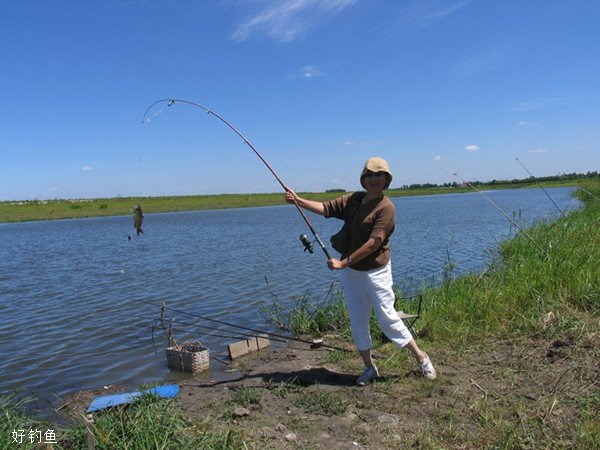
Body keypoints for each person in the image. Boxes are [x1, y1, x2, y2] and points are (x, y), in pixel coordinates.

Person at [285, 157, 436, 385]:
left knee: (387, 318)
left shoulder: (386, 208)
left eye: (379, 175)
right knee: (358, 319)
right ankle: (369, 368)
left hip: (376, 271)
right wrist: (297, 200)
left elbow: (373, 244)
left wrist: (343, 263)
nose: (374, 179)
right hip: (352, 271)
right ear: (363, 179)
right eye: (370, 175)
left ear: (386, 179)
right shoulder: (354, 200)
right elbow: (326, 208)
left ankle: (422, 358)